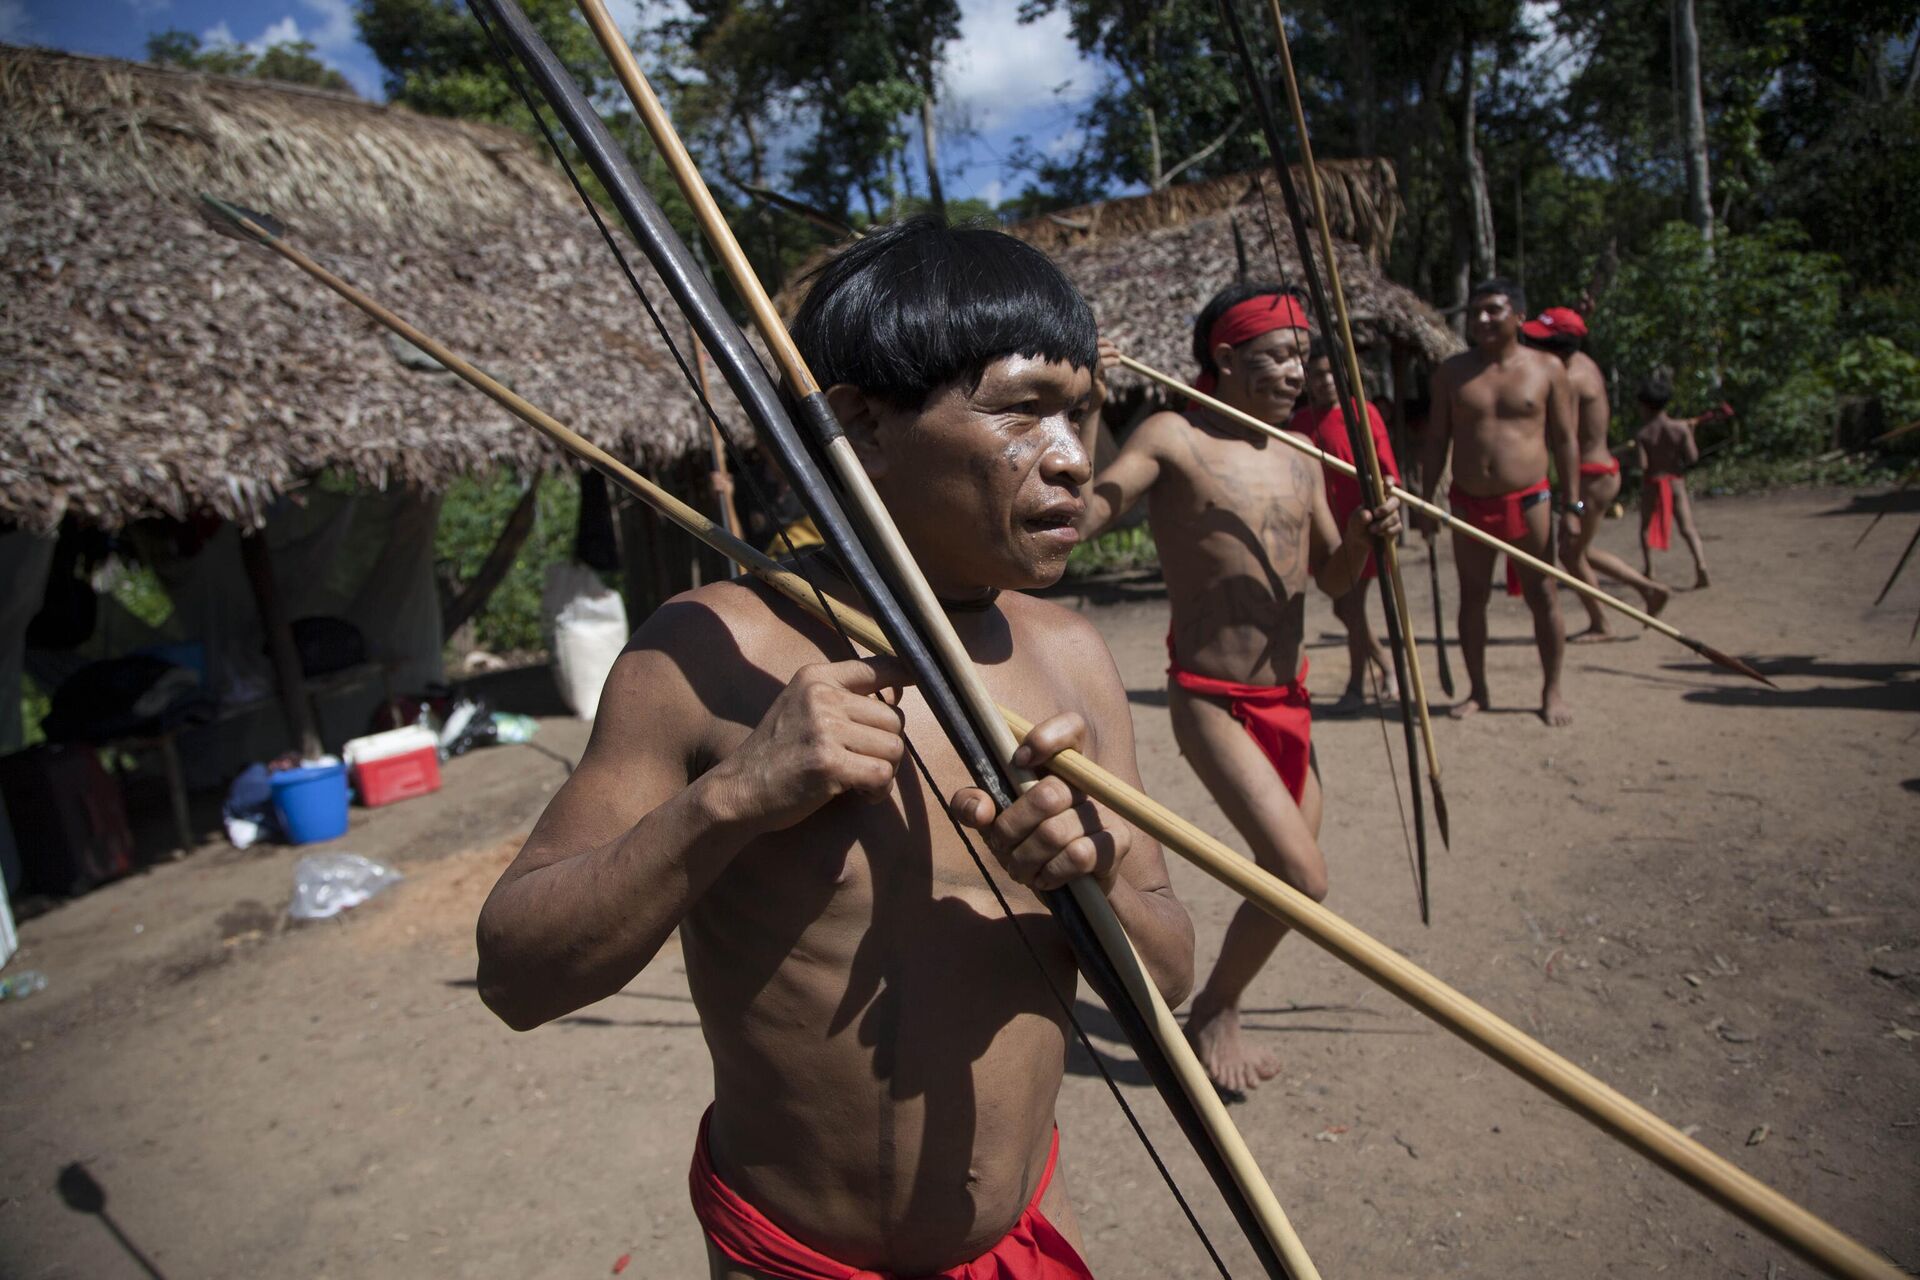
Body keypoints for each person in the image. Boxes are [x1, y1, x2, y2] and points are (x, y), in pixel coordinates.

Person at [475, 217, 1196, 1280]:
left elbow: (1170, 972)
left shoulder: (1074, 656)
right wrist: (734, 797)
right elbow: (515, 974)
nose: (1074, 458)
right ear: (858, 423)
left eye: (1082, 413)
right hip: (792, 1257)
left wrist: (1084, 882)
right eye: (1024, 411)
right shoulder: (710, 648)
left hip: (1018, 1238)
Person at [1075, 284, 1401, 1096]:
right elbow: (1083, 517)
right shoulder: (1174, 438)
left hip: (1291, 697)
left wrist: (1363, 537)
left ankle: (1218, 1005)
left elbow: (1332, 577)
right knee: (1302, 877)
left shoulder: (1300, 453)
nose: (1300, 371)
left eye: (1304, 356)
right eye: (1281, 355)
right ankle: (1216, 1006)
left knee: (1288, 882)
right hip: (1211, 698)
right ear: (1225, 358)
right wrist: (1086, 408)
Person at [1417, 279, 1578, 727]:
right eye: (1475, 312)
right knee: (1472, 599)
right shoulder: (1452, 373)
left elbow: (1565, 441)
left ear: (1519, 316)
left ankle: (1552, 690)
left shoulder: (1547, 369)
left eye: (1493, 310)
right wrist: (1425, 500)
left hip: (1529, 502)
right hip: (1469, 504)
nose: (1482, 319)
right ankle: (1478, 690)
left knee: (1543, 594)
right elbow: (1435, 441)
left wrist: (1573, 507)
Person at [1519, 306, 1670, 640]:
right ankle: (1647, 590)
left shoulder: (1569, 378)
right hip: (1598, 472)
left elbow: (1566, 439)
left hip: (1590, 475)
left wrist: (1571, 504)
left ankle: (1602, 622)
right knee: (1578, 552)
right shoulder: (1583, 365)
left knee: (1571, 554)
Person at [1288, 343, 1401, 712]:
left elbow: (1387, 472)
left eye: (1329, 373)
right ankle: (1386, 666)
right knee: (1345, 609)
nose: (1323, 381)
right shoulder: (1300, 421)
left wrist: (1386, 502)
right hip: (1322, 532)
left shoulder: (1362, 413)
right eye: (1315, 374)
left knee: (1351, 607)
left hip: (1360, 529)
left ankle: (1357, 685)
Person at [1633, 371, 1710, 588]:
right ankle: (1700, 564)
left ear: (1645, 405)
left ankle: (1649, 569)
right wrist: (1690, 433)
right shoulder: (1680, 428)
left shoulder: (1644, 434)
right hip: (1675, 482)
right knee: (1687, 528)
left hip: (1652, 483)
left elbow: (1643, 465)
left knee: (1645, 528)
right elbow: (1692, 457)